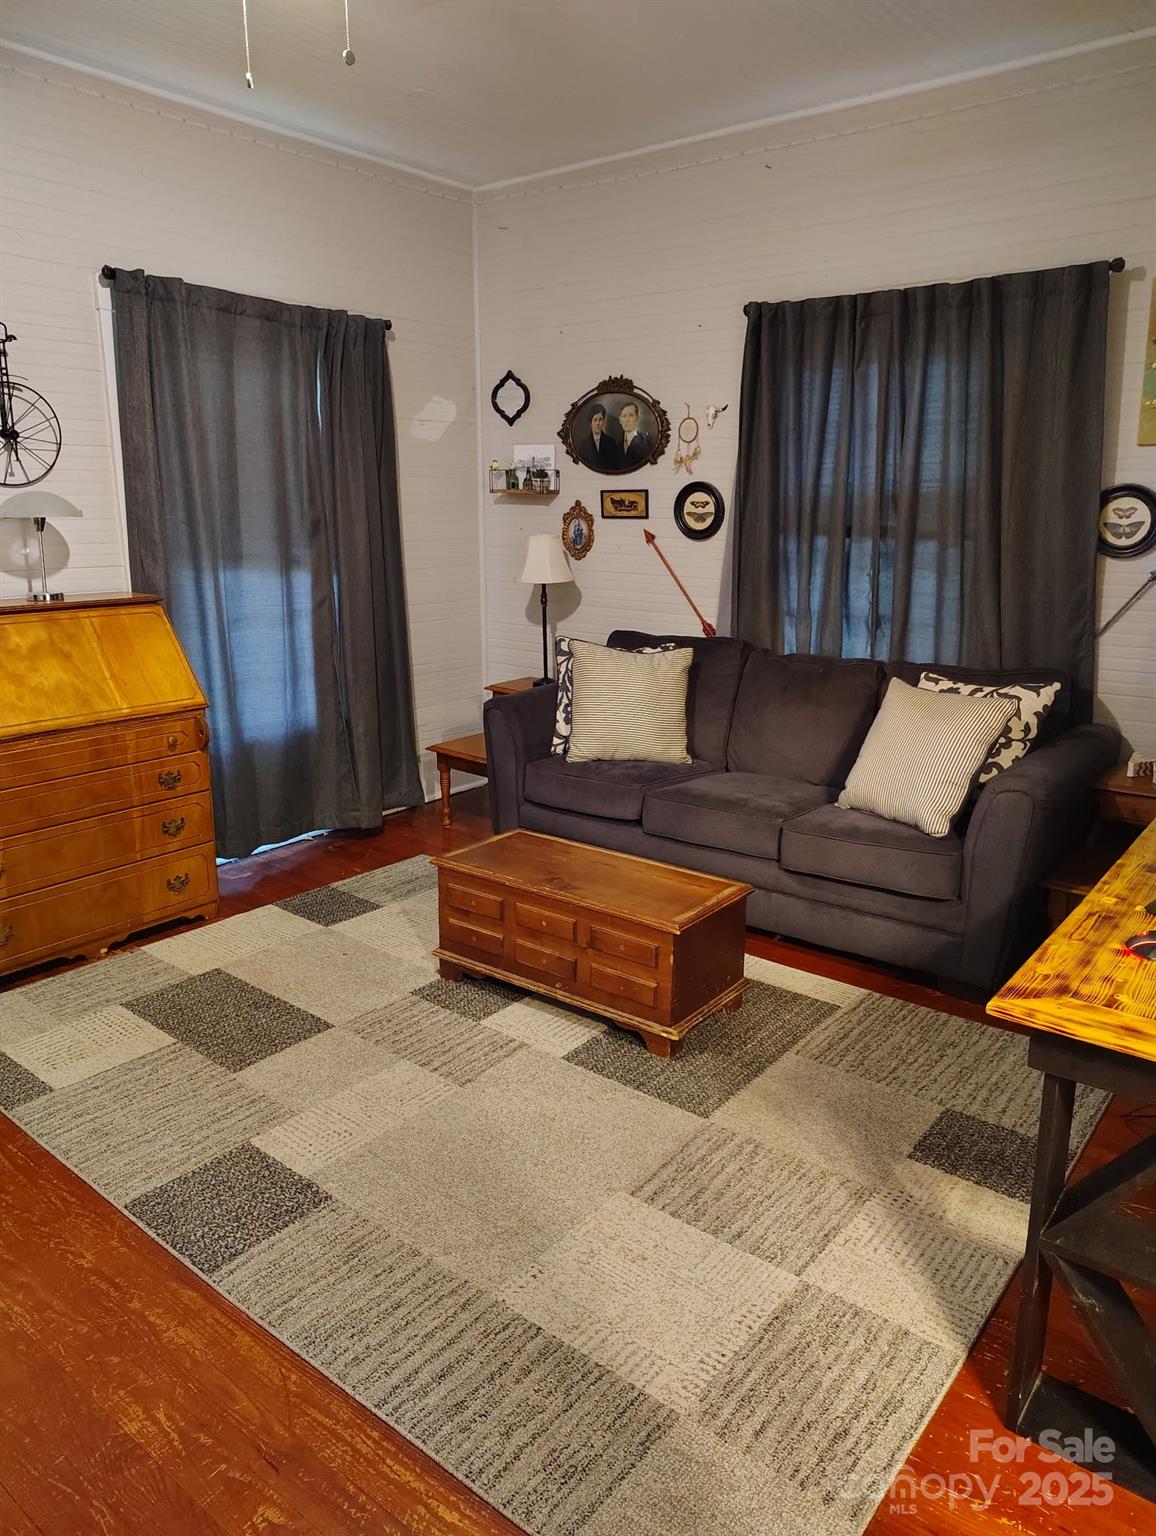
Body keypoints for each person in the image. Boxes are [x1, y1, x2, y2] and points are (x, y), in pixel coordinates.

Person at [579, 402, 623, 470]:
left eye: (600, 420)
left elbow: (616, 467)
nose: (598, 423)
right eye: (595, 420)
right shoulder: (584, 445)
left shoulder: (611, 443)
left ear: (603, 421)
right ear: (590, 422)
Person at [619, 401, 651, 466]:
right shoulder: (617, 444)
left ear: (637, 418)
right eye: (624, 416)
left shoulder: (645, 443)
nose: (627, 420)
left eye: (631, 415)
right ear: (620, 420)